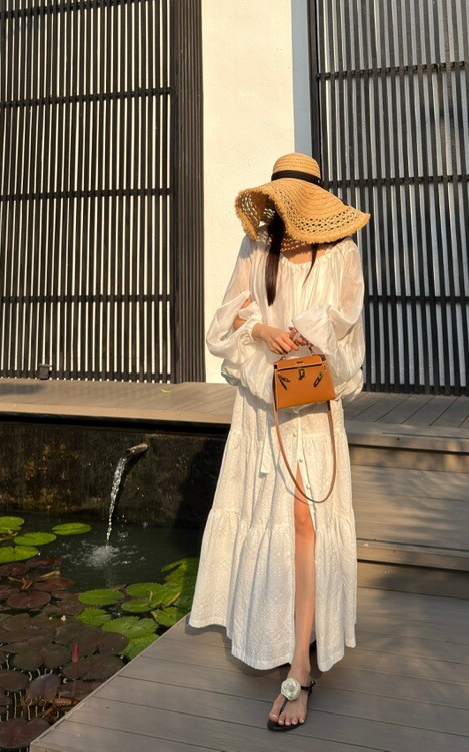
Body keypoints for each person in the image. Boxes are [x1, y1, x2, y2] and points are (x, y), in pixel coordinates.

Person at [188, 152, 369, 732]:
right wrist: (261, 328)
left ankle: (301, 666)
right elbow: (223, 325)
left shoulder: (341, 251)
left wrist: (305, 333)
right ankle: (275, 636)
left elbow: (346, 328)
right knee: (272, 520)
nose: (285, 213)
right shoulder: (257, 247)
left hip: (311, 402)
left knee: (305, 521)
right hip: (262, 403)